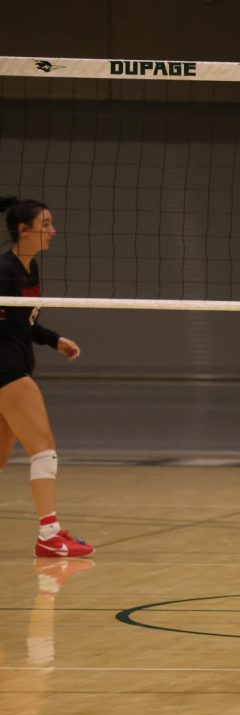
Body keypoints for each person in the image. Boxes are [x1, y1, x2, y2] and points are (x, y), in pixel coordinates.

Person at [0, 197, 91, 558]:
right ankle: (49, 535)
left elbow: (25, 323)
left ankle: (49, 535)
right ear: (24, 230)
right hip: (7, 371)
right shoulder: (4, 269)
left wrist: (56, 341)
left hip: (14, 364)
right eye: (46, 224)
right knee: (44, 448)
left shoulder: (29, 269)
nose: (53, 231)